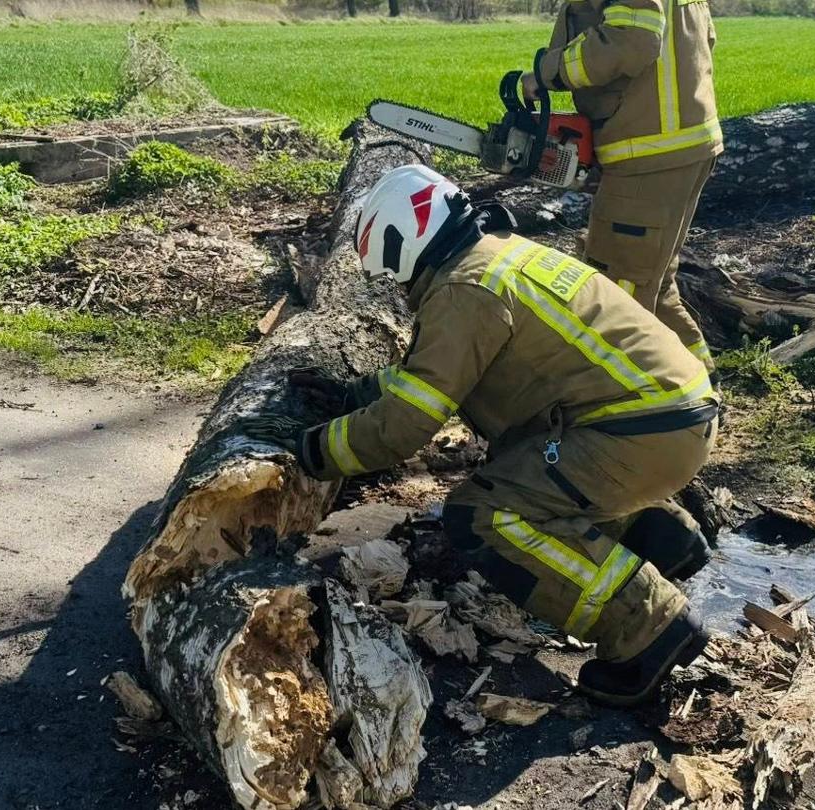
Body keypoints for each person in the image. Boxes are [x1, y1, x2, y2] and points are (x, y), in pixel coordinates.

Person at [248, 165, 719, 706]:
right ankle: (660, 538)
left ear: (403, 244)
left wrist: (309, 450)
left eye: (394, 276)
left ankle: (648, 627)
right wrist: (355, 397)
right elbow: (442, 372)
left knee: (488, 515)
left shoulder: (464, 291)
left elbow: (404, 427)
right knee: (528, 465)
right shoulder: (497, 253)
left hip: (636, 435)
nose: (400, 289)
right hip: (669, 417)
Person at [521, 0, 721, 369]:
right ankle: (700, 387)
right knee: (652, 284)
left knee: (617, 294)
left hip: (648, 152)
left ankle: (637, 408)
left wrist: (546, 71)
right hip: (682, 144)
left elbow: (633, 41)